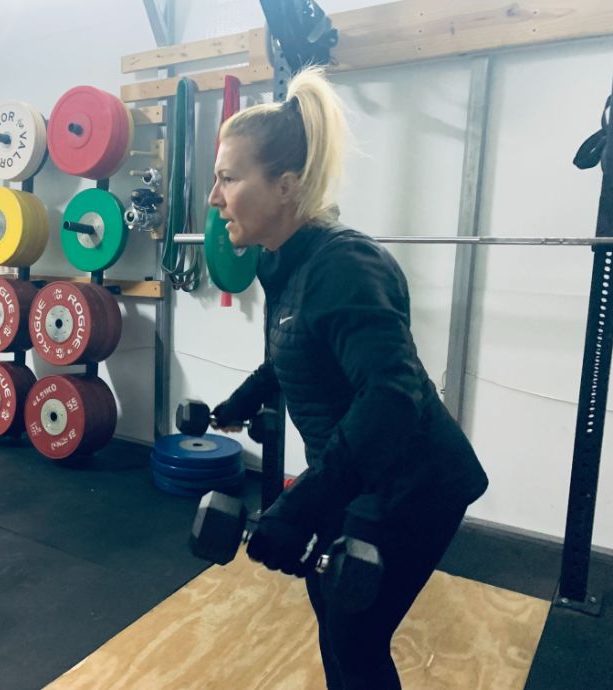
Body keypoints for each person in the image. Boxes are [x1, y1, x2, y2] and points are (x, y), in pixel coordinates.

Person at [206, 66, 489, 690]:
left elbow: (392, 396)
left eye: (227, 178)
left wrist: (300, 503)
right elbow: (298, 347)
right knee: (332, 614)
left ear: (286, 185)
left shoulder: (346, 266)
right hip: (360, 476)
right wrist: (243, 399)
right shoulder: (282, 262)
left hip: (416, 485)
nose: (213, 196)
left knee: (354, 635)